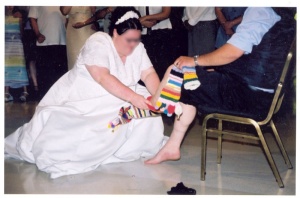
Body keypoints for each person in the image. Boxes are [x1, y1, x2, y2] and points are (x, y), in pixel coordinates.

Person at [5, 7, 167, 179]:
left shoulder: (138, 47)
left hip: (119, 97)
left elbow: (148, 74)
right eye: (129, 40)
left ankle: (125, 148)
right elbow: (102, 77)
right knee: (76, 140)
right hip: (86, 99)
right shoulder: (98, 41)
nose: (133, 45)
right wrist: (135, 98)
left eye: (137, 39)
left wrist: (159, 98)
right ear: (115, 33)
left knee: (146, 114)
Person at [145, 7, 296, 164]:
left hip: (248, 97)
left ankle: (152, 105)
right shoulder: (282, 13)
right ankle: (172, 147)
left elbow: (233, 52)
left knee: (177, 70)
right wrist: (217, 68)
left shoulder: (260, 9)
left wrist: (195, 60)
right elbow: (259, 59)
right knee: (191, 83)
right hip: (264, 96)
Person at [29, 6, 68, 99]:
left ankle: (59, 99)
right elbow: (32, 18)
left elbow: (68, 20)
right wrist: (38, 34)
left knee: (60, 74)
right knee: (45, 74)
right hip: (44, 42)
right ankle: (44, 100)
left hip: (62, 41)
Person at [135, 7, 173, 81]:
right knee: (146, 67)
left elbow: (166, 13)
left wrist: (145, 18)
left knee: (164, 68)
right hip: (143, 33)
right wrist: (140, 22)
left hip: (162, 31)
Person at [5, 6, 30, 102]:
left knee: (20, 66)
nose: (10, 6)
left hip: (17, 45)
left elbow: (21, 32)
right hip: (6, 45)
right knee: (6, 68)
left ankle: (25, 91)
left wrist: (20, 19)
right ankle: (6, 92)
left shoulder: (20, 16)